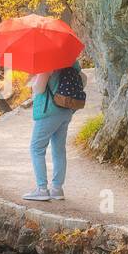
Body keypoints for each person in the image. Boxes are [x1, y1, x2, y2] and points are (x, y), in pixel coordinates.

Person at [23, 61, 82, 201]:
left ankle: (42, 189)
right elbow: (83, 80)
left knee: (36, 148)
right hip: (65, 110)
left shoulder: (46, 62)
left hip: (49, 111)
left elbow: (39, 89)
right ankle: (57, 189)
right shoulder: (72, 61)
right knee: (59, 150)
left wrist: (35, 78)